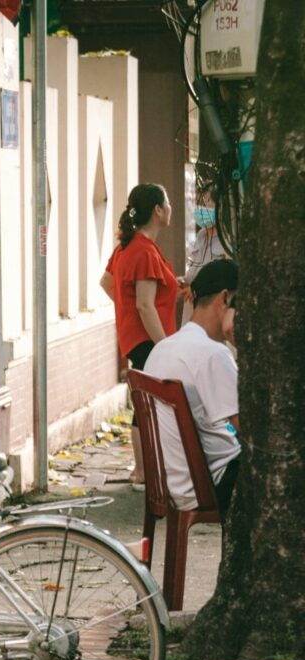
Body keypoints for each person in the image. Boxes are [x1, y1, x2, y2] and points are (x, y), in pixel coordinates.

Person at [100, 183, 179, 490]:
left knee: (144, 402)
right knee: (147, 404)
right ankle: (143, 472)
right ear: (158, 211)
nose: (170, 208)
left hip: (136, 337)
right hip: (149, 340)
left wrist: (128, 311)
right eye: (167, 203)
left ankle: (143, 470)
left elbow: (108, 283)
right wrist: (165, 346)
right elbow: (145, 304)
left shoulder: (127, 247)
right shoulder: (144, 250)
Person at [144, 259, 240, 511]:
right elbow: (253, 430)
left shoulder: (162, 348)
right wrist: (241, 343)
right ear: (225, 299)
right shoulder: (212, 354)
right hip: (210, 483)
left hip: (172, 484)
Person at [181, 183, 231, 325]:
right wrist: (184, 280)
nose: (202, 209)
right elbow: (195, 270)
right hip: (190, 315)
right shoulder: (201, 236)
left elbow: (222, 280)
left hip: (210, 319)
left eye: (208, 204)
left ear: (220, 209)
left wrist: (197, 288)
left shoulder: (226, 241)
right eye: (201, 204)